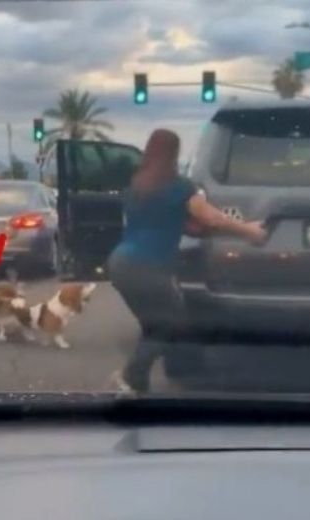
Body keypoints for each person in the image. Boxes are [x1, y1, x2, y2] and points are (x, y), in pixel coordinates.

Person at [109, 129, 266, 393]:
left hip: (120, 264)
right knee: (172, 327)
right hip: (148, 267)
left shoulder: (136, 186)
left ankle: (137, 385)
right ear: (173, 154)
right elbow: (211, 218)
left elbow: (174, 224)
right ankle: (128, 376)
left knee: (154, 324)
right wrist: (248, 230)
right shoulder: (180, 187)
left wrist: (204, 229)